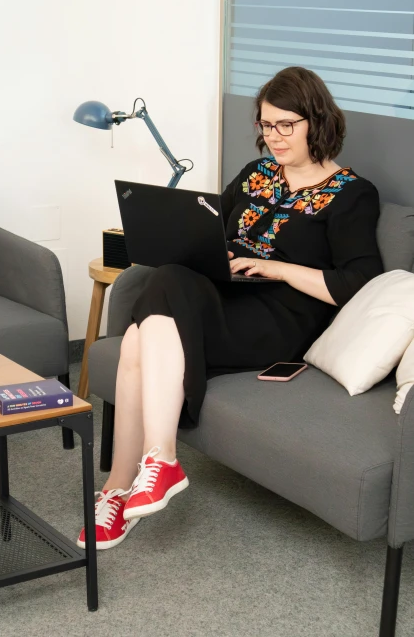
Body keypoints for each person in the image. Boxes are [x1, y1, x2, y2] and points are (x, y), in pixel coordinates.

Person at [77, 66, 384, 551]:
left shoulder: (352, 194)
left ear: (317, 121)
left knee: (160, 296)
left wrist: (277, 269)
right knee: (152, 311)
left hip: (282, 315)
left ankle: (145, 471)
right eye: (266, 125)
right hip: (227, 293)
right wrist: (208, 251)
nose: (274, 137)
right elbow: (212, 231)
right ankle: (134, 479)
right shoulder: (255, 173)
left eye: (287, 124)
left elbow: (358, 283)